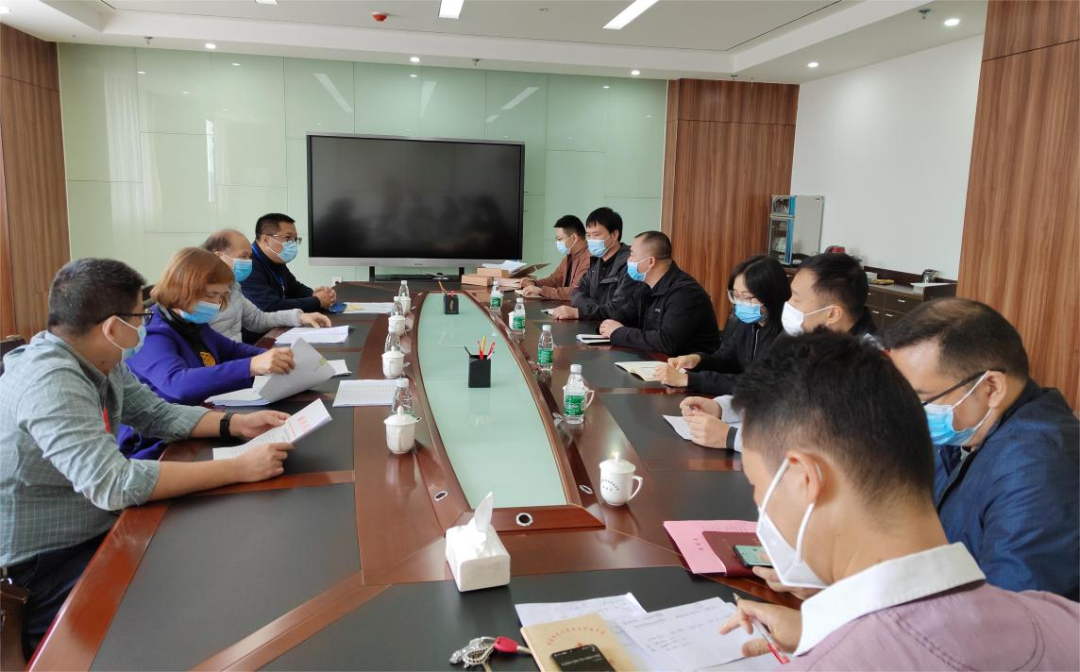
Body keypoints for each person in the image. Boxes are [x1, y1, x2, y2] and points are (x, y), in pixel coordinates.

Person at [717, 331, 1079, 670]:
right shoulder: (1061, 619)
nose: (759, 502)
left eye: (756, 484)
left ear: (804, 478)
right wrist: (821, 628)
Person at [0, 259, 294, 655]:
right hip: (43, 565)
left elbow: (157, 414)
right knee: (179, 610)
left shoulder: (97, 358)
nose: (146, 324)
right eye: (141, 316)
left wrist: (235, 424)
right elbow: (115, 483)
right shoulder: (50, 380)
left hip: (96, 528)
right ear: (112, 327)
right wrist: (238, 467)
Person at [885, 298, 1079, 599]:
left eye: (920, 398)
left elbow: (1011, 613)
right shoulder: (963, 433)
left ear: (991, 388)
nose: (908, 410)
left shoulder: (1037, 470)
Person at [678, 253, 876, 450]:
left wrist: (731, 438)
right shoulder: (813, 338)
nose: (788, 305)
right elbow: (772, 392)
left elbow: (820, 440)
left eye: (796, 299)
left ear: (832, 313)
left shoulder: (865, 367)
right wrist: (721, 407)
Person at [120, 248, 296, 459]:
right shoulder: (152, 332)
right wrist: (251, 366)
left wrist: (276, 356)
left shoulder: (191, 321)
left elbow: (231, 350)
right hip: (158, 444)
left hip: (200, 421)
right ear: (183, 288)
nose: (216, 304)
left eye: (220, 296)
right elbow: (178, 384)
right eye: (211, 295)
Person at [658, 254, 788, 393]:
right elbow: (727, 359)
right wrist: (697, 360)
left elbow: (759, 385)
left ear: (771, 295)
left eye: (746, 297)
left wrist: (690, 379)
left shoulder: (788, 335)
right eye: (736, 295)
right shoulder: (747, 324)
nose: (740, 303)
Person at [599, 231, 720, 356]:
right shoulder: (645, 286)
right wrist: (608, 326)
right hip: (654, 359)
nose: (628, 260)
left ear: (651, 262)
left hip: (688, 365)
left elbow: (666, 342)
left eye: (632, 255)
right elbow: (625, 314)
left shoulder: (685, 292)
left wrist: (618, 332)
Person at [202, 229, 330, 343]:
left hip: (235, 356)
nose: (249, 262)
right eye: (243, 256)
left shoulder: (233, 288)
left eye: (249, 257)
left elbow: (257, 319)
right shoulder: (198, 294)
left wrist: (299, 317)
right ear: (218, 257)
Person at [554, 207, 643, 321]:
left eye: (596, 235)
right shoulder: (596, 262)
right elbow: (576, 292)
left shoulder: (630, 265)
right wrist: (596, 309)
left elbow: (619, 309)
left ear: (614, 235)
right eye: (588, 235)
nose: (591, 240)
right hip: (595, 323)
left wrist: (581, 312)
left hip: (617, 327)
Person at [241, 213, 337, 314]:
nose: (293, 243)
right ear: (266, 240)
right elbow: (269, 306)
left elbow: (294, 289)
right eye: (288, 237)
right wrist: (317, 301)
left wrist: (317, 294)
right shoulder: (247, 265)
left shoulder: (275, 259)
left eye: (295, 239)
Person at [781, 252, 878, 343]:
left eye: (797, 299)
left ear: (832, 314)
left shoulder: (866, 353)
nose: (789, 303)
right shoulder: (806, 334)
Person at [519, 215, 590, 301]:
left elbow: (575, 292)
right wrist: (534, 283)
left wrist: (541, 291)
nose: (558, 243)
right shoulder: (568, 257)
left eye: (560, 239)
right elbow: (555, 280)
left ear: (574, 238)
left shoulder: (590, 259)